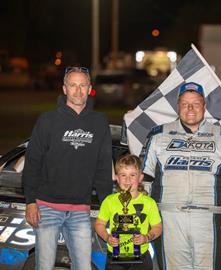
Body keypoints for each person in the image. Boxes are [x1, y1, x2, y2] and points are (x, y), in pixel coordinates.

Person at [141, 82, 221, 270]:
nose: (190, 109)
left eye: (196, 104)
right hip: (168, 216)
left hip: (210, 219)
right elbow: (144, 177)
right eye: (185, 104)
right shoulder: (158, 135)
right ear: (178, 106)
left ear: (204, 107)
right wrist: (144, 212)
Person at [22, 66, 113, 270]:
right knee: (44, 266)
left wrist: (109, 206)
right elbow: (33, 162)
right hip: (47, 207)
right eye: (73, 85)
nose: (78, 90)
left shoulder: (99, 122)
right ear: (64, 89)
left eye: (82, 85)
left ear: (90, 89)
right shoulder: (47, 120)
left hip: (80, 209)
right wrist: (30, 202)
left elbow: (103, 168)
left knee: (83, 267)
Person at [95, 154, 162, 270]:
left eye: (132, 175)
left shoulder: (149, 203)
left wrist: (146, 237)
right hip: (115, 258)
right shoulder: (109, 201)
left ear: (140, 177)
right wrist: (107, 237)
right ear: (117, 177)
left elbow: (157, 227)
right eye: (123, 175)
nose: (127, 180)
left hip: (141, 257)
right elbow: (99, 224)